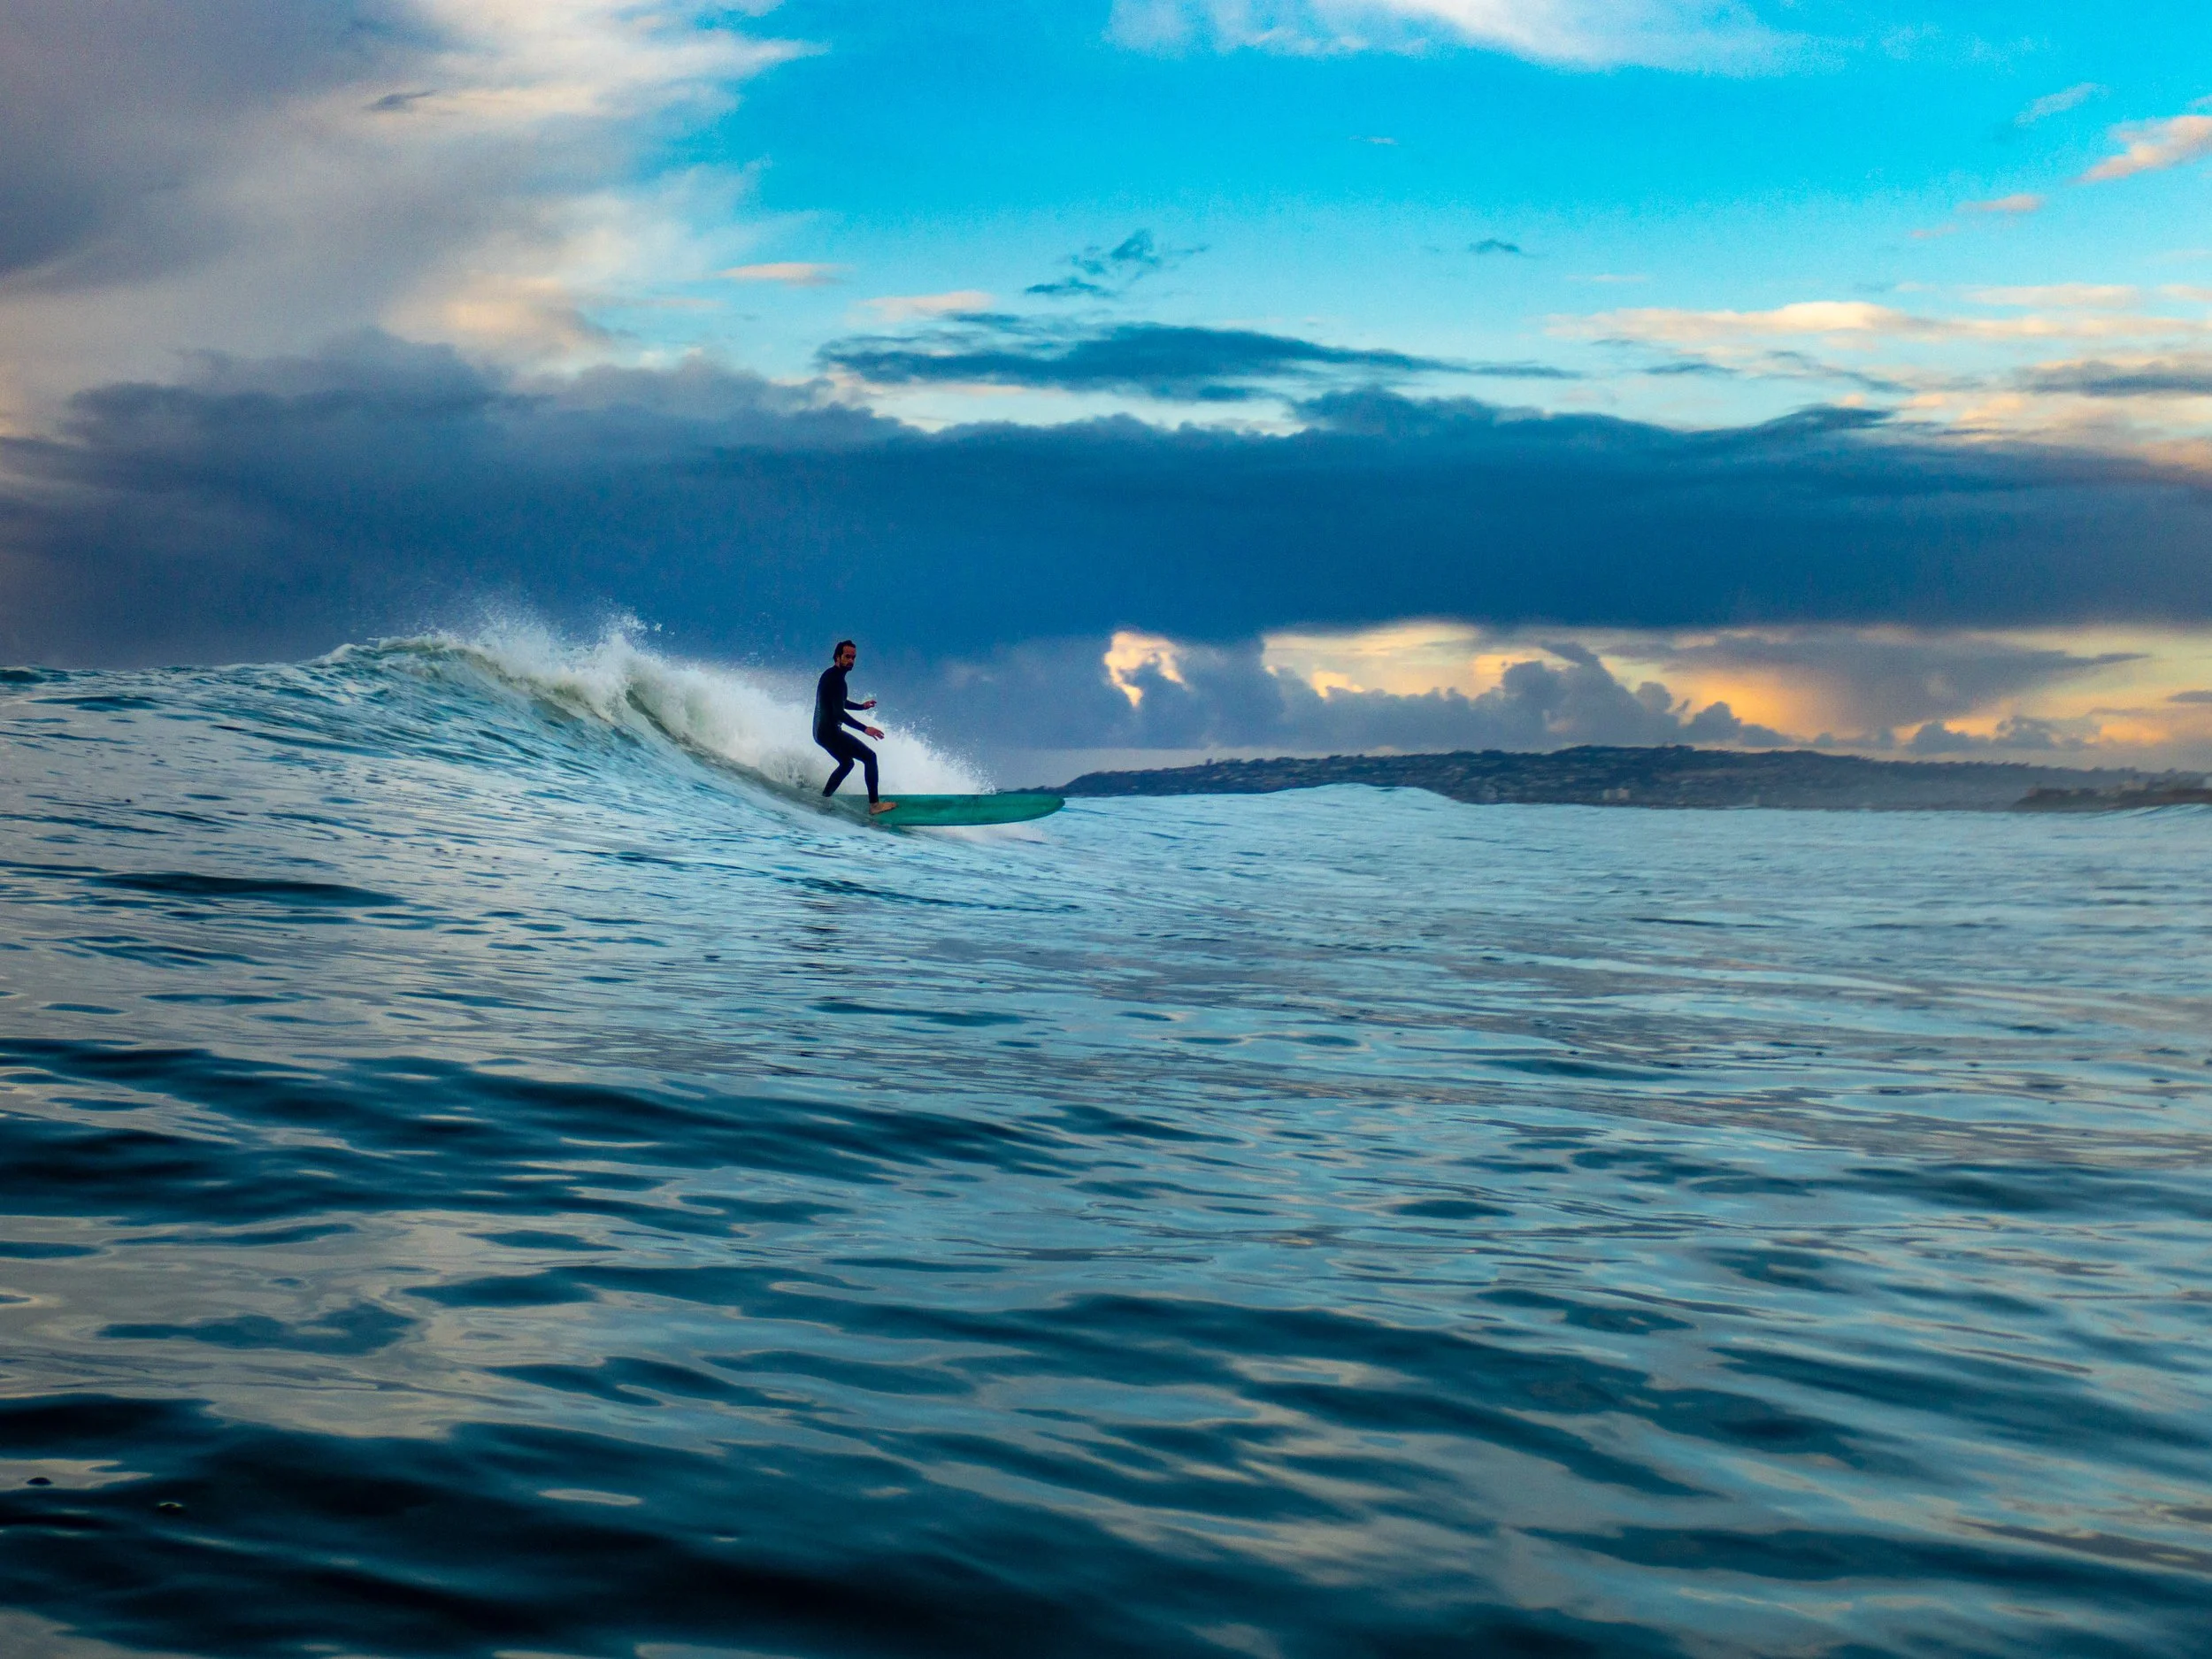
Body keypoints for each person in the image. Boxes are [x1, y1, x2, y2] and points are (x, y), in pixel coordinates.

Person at [814, 640, 896, 814]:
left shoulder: (831, 676)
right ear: (837, 657)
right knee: (870, 757)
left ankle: (825, 797)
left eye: (853, 657)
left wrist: (862, 706)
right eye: (847, 657)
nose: (851, 661)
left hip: (820, 732)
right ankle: (874, 805)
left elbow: (839, 703)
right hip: (830, 732)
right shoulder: (837, 681)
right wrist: (865, 729)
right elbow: (838, 713)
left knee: (846, 763)